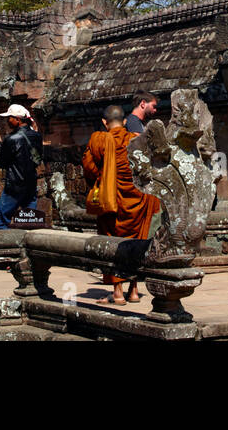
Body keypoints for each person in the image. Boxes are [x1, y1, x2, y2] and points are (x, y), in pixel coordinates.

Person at [82, 105, 161, 304]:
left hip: (113, 199)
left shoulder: (99, 140)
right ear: (124, 122)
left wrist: (103, 174)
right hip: (139, 199)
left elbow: (89, 168)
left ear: (104, 122)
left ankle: (118, 292)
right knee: (136, 242)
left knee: (113, 241)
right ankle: (134, 290)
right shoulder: (136, 139)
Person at [0, 105, 39, 228]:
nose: (7, 121)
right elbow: (38, 160)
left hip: (14, 183)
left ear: (18, 120)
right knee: (31, 219)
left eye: (10, 117)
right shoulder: (37, 136)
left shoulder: (10, 139)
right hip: (31, 182)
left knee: (2, 221)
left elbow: (2, 162)